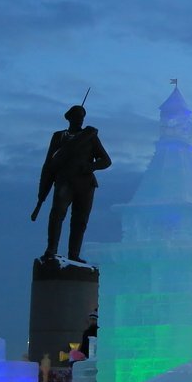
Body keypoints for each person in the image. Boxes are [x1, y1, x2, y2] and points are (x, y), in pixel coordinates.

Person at [33, 101, 112, 264]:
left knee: (80, 220)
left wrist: (91, 166)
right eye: (77, 117)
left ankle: (73, 254)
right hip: (64, 182)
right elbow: (49, 163)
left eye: (82, 117)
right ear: (69, 118)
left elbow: (106, 160)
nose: (80, 120)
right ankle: (51, 250)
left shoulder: (90, 136)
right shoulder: (59, 136)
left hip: (86, 184)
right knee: (57, 214)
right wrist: (43, 191)